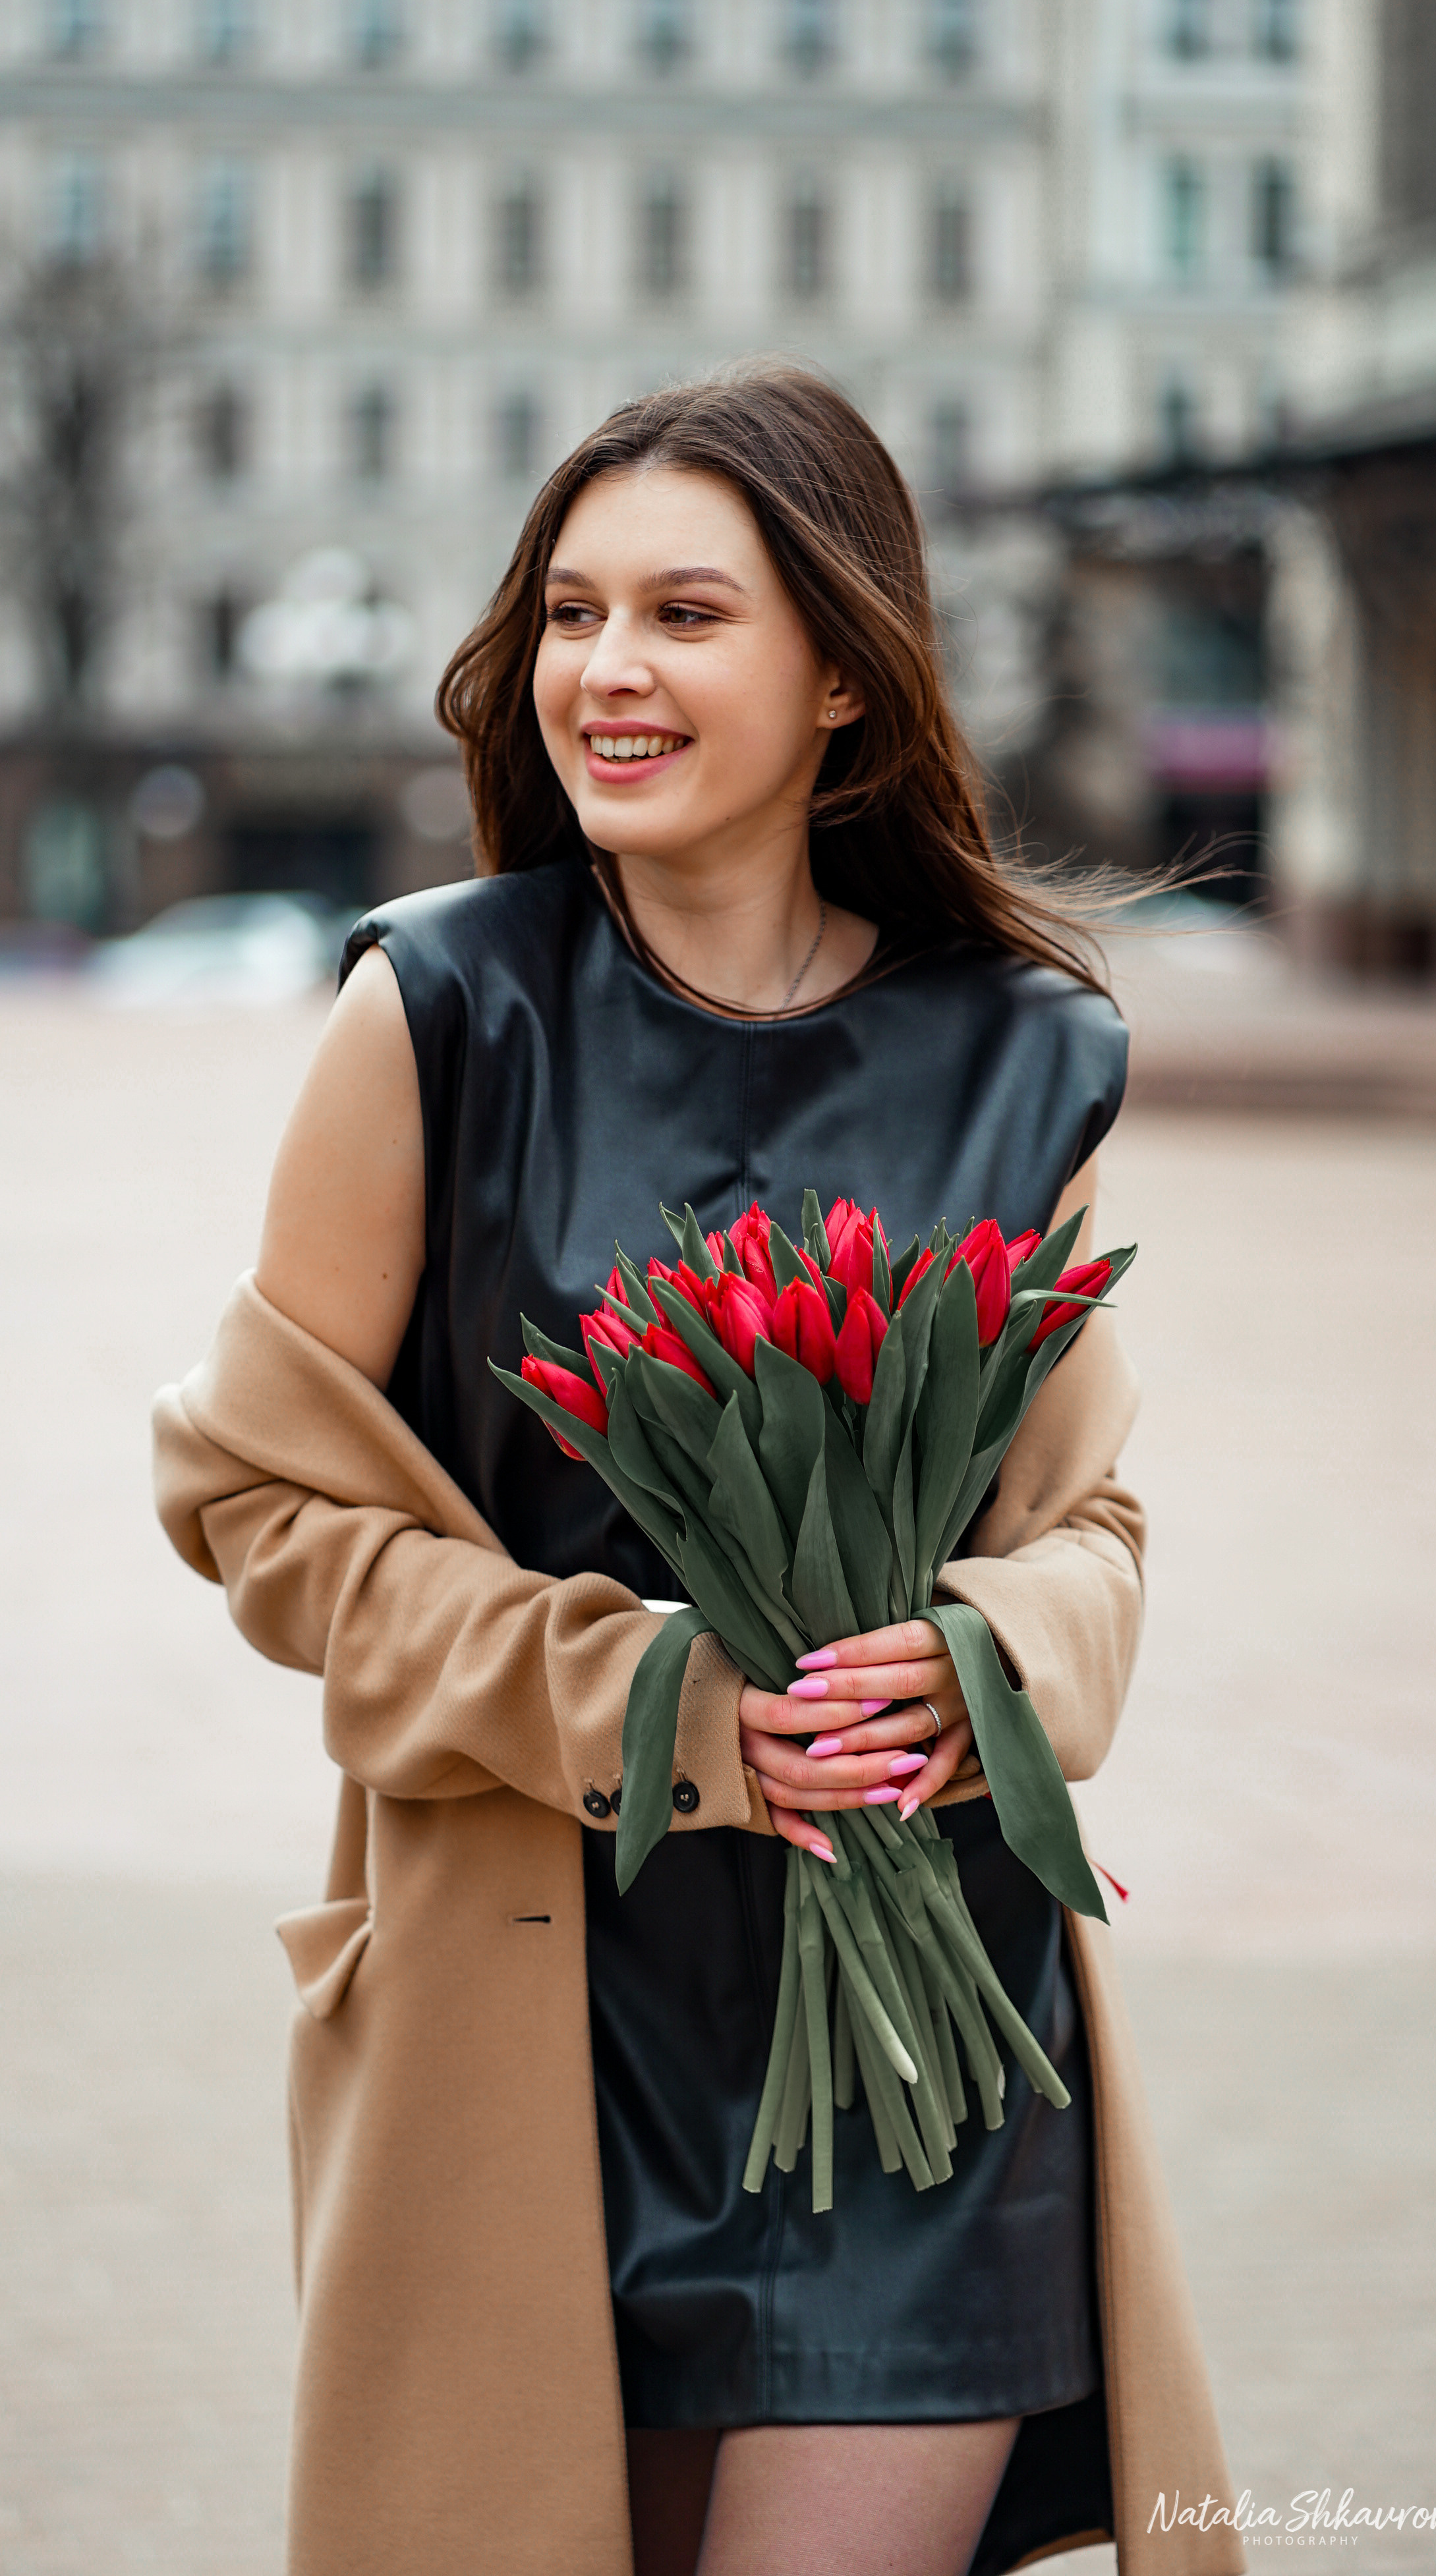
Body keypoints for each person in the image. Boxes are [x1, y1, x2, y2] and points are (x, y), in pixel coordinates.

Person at [154, 364, 1244, 2576]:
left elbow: (1089, 1532)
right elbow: (257, 1507)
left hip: (928, 2040)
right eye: (570, 613)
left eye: (684, 613)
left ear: (846, 677)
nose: (606, 671)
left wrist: (985, 1663)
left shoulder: (1020, 1055)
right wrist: (640, 1697)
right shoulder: (446, 1012)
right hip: (544, 2034)